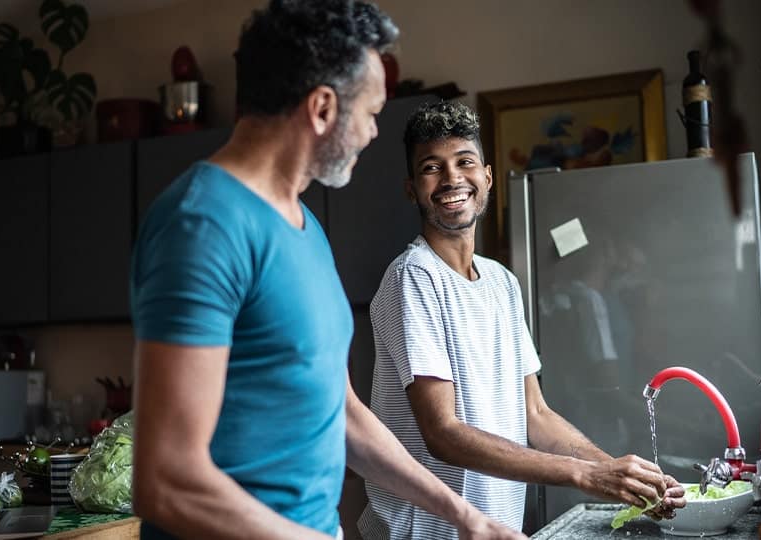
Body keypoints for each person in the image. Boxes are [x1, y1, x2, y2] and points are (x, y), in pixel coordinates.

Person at [128, 2, 526, 539]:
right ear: (321, 109)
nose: (372, 132)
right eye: (369, 112)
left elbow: (342, 414)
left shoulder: (306, 228)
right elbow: (167, 481)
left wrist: (466, 517)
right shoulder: (202, 224)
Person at [358, 100, 686, 539]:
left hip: (495, 529)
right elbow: (443, 432)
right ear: (412, 189)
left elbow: (535, 413)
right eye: (431, 168)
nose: (452, 178)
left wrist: (616, 474)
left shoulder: (501, 282)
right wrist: (583, 475)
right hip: (426, 533)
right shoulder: (412, 278)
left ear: (487, 177)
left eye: (464, 162)